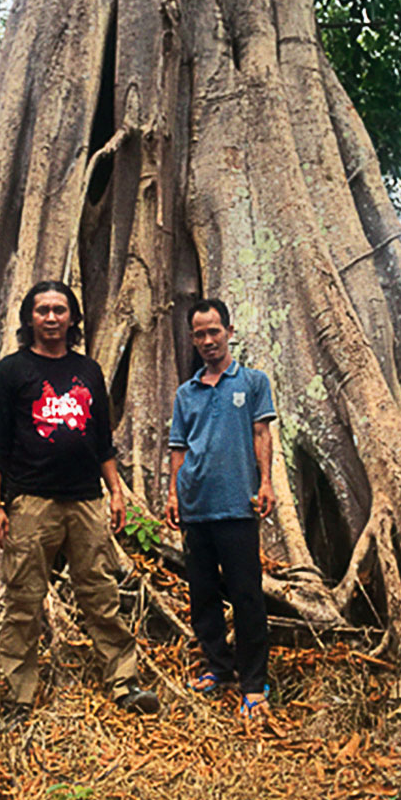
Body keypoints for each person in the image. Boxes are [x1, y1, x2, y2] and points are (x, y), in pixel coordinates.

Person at [0, 278, 159, 718]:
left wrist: (116, 493)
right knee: (23, 599)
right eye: (42, 310)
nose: (51, 317)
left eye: (60, 309)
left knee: (100, 592)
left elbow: (102, 441)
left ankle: (124, 682)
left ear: (73, 318)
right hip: (30, 502)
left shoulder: (88, 371)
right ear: (29, 318)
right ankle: (19, 693)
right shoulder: (11, 371)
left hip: (85, 501)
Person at [165, 296, 276, 718]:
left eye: (214, 331)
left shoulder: (251, 382)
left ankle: (253, 681)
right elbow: (178, 448)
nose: (208, 340)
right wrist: (174, 495)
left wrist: (265, 482)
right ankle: (219, 667)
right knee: (203, 594)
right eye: (200, 334)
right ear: (193, 340)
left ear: (229, 332)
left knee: (247, 595)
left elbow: (262, 434)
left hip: (237, 507)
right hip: (195, 507)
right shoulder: (186, 393)